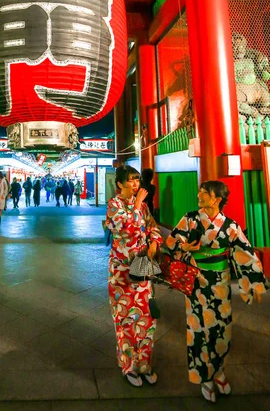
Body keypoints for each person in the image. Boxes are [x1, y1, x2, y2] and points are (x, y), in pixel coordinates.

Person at [166, 180, 267, 402]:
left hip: (220, 284)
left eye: (204, 192)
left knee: (222, 330)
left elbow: (245, 253)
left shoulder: (230, 226)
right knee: (198, 330)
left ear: (217, 199)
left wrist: (255, 282)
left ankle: (219, 371)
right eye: (200, 191)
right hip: (196, 282)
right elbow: (172, 241)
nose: (199, 195)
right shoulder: (190, 219)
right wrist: (183, 247)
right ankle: (205, 377)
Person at [105, 164, 163, 387]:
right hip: (121, 273)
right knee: (125, 320)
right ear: (119, 184)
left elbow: (152, 228)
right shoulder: (114, 205)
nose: (136, 184)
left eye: (137, 180)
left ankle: (145, 364)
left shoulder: (144, 207)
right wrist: (137, 205)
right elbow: (128, 230)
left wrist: (155, 243)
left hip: (143, 269)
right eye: (131, 180)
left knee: (147, 320)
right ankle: (129, 365)